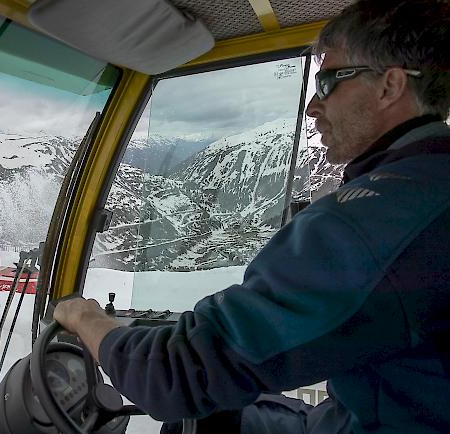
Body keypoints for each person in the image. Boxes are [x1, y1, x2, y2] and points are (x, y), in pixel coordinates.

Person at [54, 1, 450, 432]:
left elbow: (174, 375)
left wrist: (83, 317)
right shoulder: (430, 187)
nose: (313, 108)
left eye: (328, 83)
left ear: (389, 86)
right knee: (221, 415)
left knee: (197, 415)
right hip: (376, 410)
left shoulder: (370, 223)